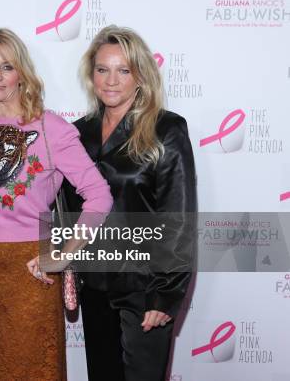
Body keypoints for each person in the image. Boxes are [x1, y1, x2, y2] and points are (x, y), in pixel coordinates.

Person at [0, 28, 113, 380]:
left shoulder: (50, 128)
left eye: (6, 66)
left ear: (21, 73)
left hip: (30, 268)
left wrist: (65, 253)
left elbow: (99, 195)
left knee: (31, 370)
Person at [64, 25, 197, 381]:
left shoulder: (165, 129)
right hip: (95, 285)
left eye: (123, 70)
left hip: (144, 289)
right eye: (102, 69)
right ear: (91, 74)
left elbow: (179, 215)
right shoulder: (78, 132)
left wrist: (165, 294)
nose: (111, 80)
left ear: (140, 76)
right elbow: (67, 206)